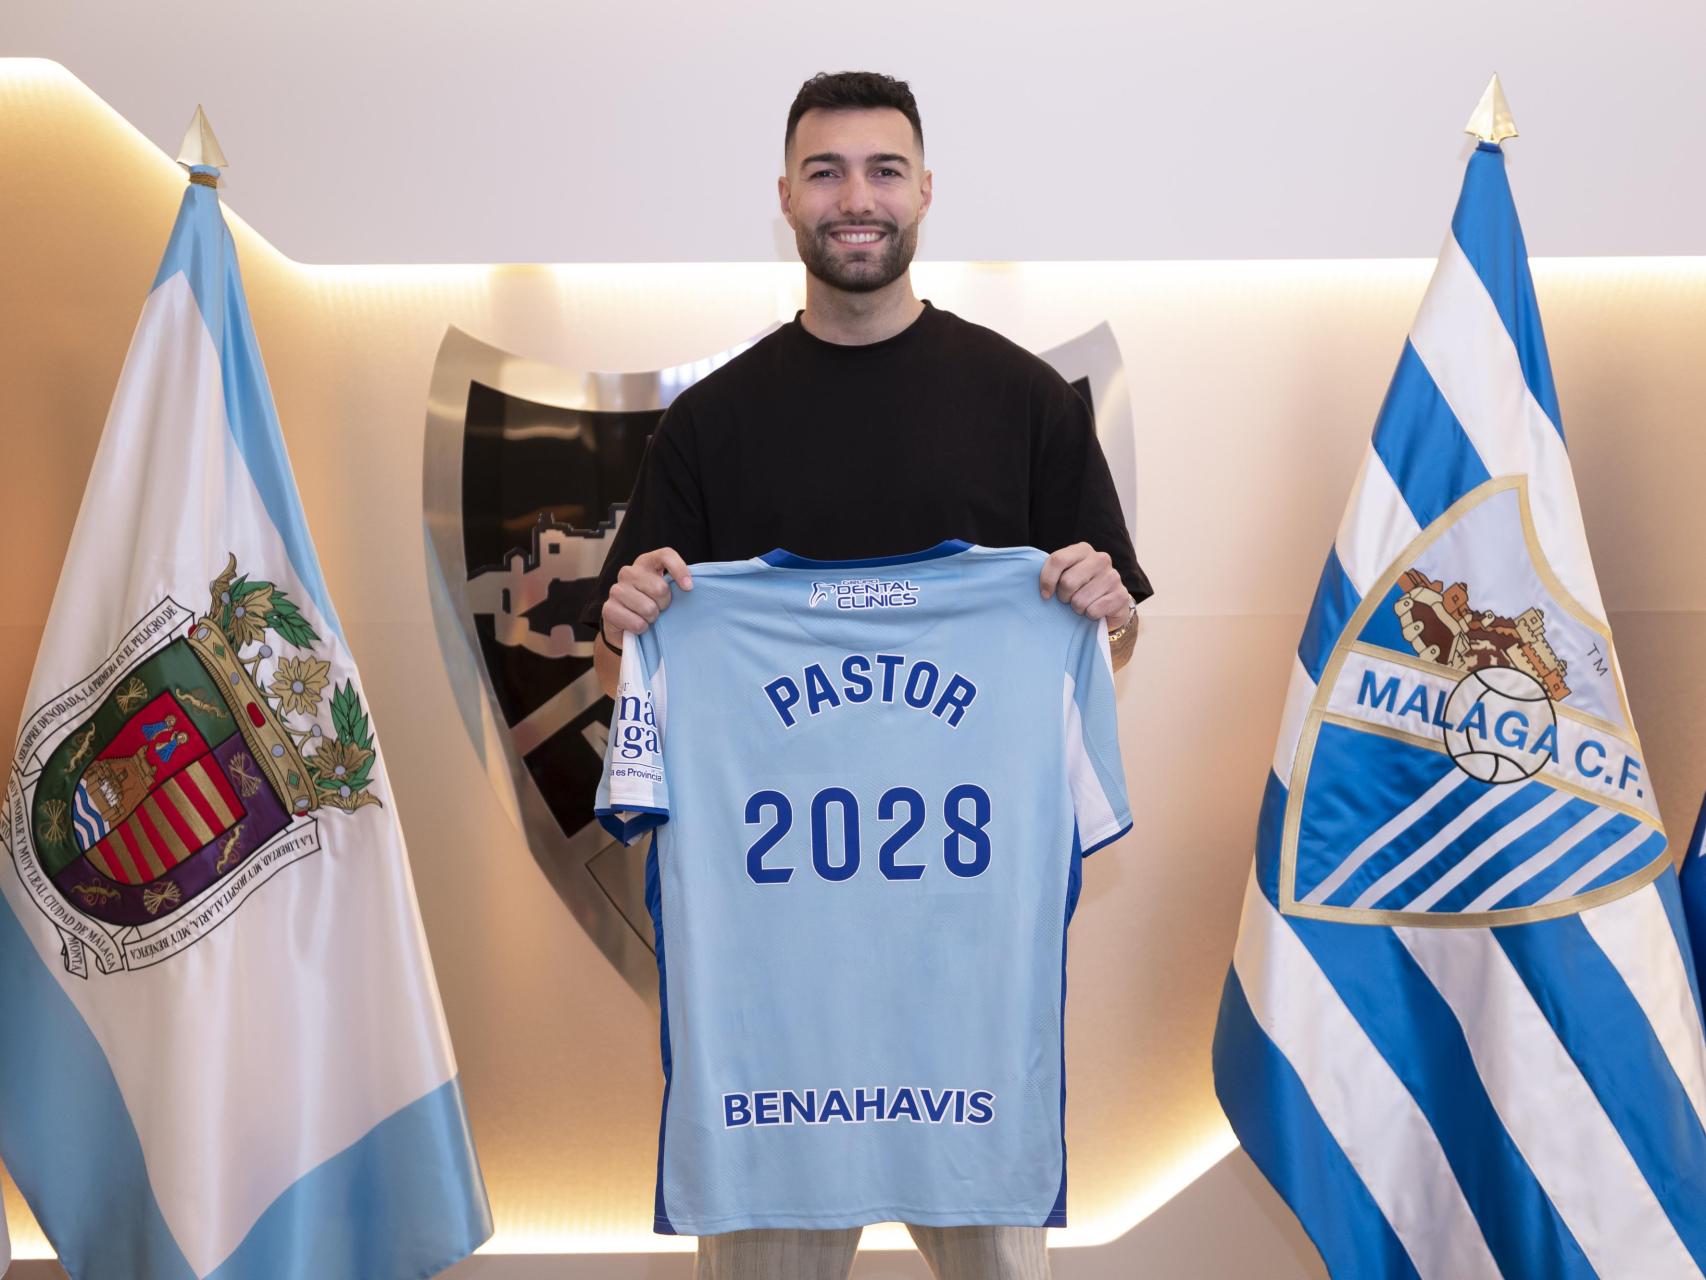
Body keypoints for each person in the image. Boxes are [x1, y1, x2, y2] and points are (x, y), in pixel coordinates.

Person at [581, 70, 1152, 1280]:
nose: (856, 198)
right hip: (773, 992)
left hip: (969, 974)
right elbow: (629, 662)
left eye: (882, 170)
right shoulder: (712, 422)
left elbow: (1105, 644)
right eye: (827, 171)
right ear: (784, 196)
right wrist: (623, 619)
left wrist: (1104, 610)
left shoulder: (1028, 404)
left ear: (925, 192)